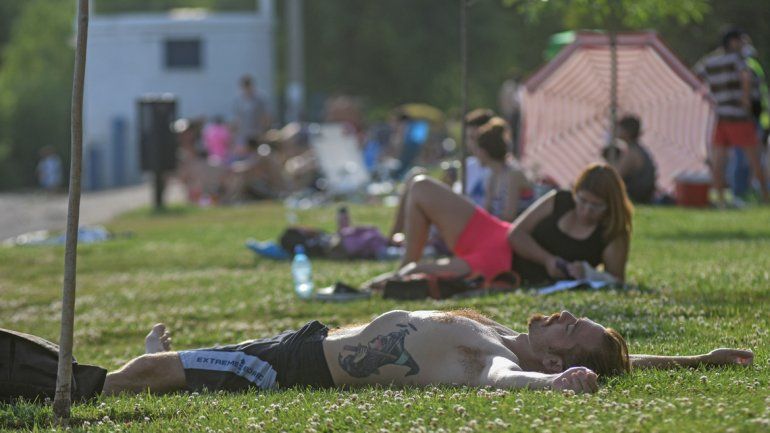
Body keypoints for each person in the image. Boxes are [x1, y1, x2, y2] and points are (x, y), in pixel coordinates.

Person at [101, 309, 753, 396]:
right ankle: (166, 353)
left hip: (293, 367)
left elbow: (502, 377)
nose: (561, 314)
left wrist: (553, 389)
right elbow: (633, 364)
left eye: (568, 330)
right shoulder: (497, 330)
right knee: (190, 361)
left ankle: (96, 384)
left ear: (554, 361)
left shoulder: (488, 355)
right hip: (307, 338)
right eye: (573, 315)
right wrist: (701, 360)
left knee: (157, 373)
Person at [372, 163, 631, 288]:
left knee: (417, 272)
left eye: (596, 206)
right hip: (494, 234)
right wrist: (548, 259)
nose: (586, 210)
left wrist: (584, 271)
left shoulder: (612, 234)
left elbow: (615, 281)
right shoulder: (560, 200)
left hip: (500, 266)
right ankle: (402, 266)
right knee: (421, 186)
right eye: (582, 201)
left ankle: (394, 279)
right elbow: (516, 233)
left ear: (611, 206)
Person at [694, 28, 769, 205]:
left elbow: (697, 74)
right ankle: (766, 197)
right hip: (739, 116)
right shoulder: (738, 59)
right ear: (733, 42)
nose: (744, 46)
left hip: (721, 115)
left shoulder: (711, 61)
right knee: (755, 157)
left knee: (719, 159)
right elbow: (745, 75)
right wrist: (745, 99)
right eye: (742, 42)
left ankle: (719, 198)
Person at [475, 117, 531, 221]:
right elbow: (486, 212)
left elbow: (509, 216)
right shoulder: (492, 176)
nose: (476, 155)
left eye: (477, 150)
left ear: (484, 152)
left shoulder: (513, 174)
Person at [602, 115, 657, 203]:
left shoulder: (631, 153)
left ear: (626, 132)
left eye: (618, 128)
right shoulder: (638, 149)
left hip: (635, 197)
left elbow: (614, 175)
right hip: (644, 195)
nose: (615, 131)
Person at [232, 75, 271, 156]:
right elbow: (237, 118)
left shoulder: (260, 99)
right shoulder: (239, 100)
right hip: (244, 133)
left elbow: (265, 116)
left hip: (257, 133)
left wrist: (264, 131)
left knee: (259, 154)